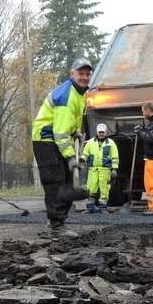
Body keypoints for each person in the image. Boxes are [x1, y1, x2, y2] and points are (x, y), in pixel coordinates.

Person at [32, 57, 92, 238]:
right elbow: (60, 131)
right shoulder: (67, 96)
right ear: (72, 74)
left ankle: (57, 221)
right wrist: (70, 157)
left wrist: (76, 132)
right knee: (55, 183)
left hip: (57, 139)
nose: (84, 77)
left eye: (87, 74)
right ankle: (56, 227)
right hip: (47, 140)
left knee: (66, 181)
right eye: (80, 73)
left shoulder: (79, 93)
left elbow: (68, 126)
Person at [133, 102, 153, 215]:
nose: (142, 113)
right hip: (151, 158)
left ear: (148, 110)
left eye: (143, 111)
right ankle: (152, 207)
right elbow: (150, 134)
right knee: (149, 184)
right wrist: (142, 129)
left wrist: (140, 132)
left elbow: (152, 138)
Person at [81, 123, 119, 213]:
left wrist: (114, 169)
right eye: (99, 132)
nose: (101, 134)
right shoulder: (90, 142)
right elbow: (85, 154)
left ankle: (103, 208)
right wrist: (82, 160)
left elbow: (115, 157)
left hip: (105, 170)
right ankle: (90, 208)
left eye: (102, 132)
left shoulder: (111, 143)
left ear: (106, 132)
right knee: (91, 189)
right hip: (93, 170)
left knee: (104, 189)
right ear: (97, 132)